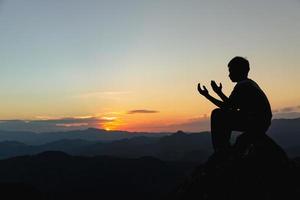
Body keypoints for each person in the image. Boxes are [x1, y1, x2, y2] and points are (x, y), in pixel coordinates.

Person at [197, 56, 272, 159]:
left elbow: (227, 107)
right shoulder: (249, 84)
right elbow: (232, 104)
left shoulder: (243, 86)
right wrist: (219, 92)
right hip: (260, 122)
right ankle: (223, 149)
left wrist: (207, 95)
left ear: (239, 71)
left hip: (255, 122)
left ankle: (221, 150)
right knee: (221, 114)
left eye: (231, 71)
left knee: (217, 114)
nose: (229, 75)